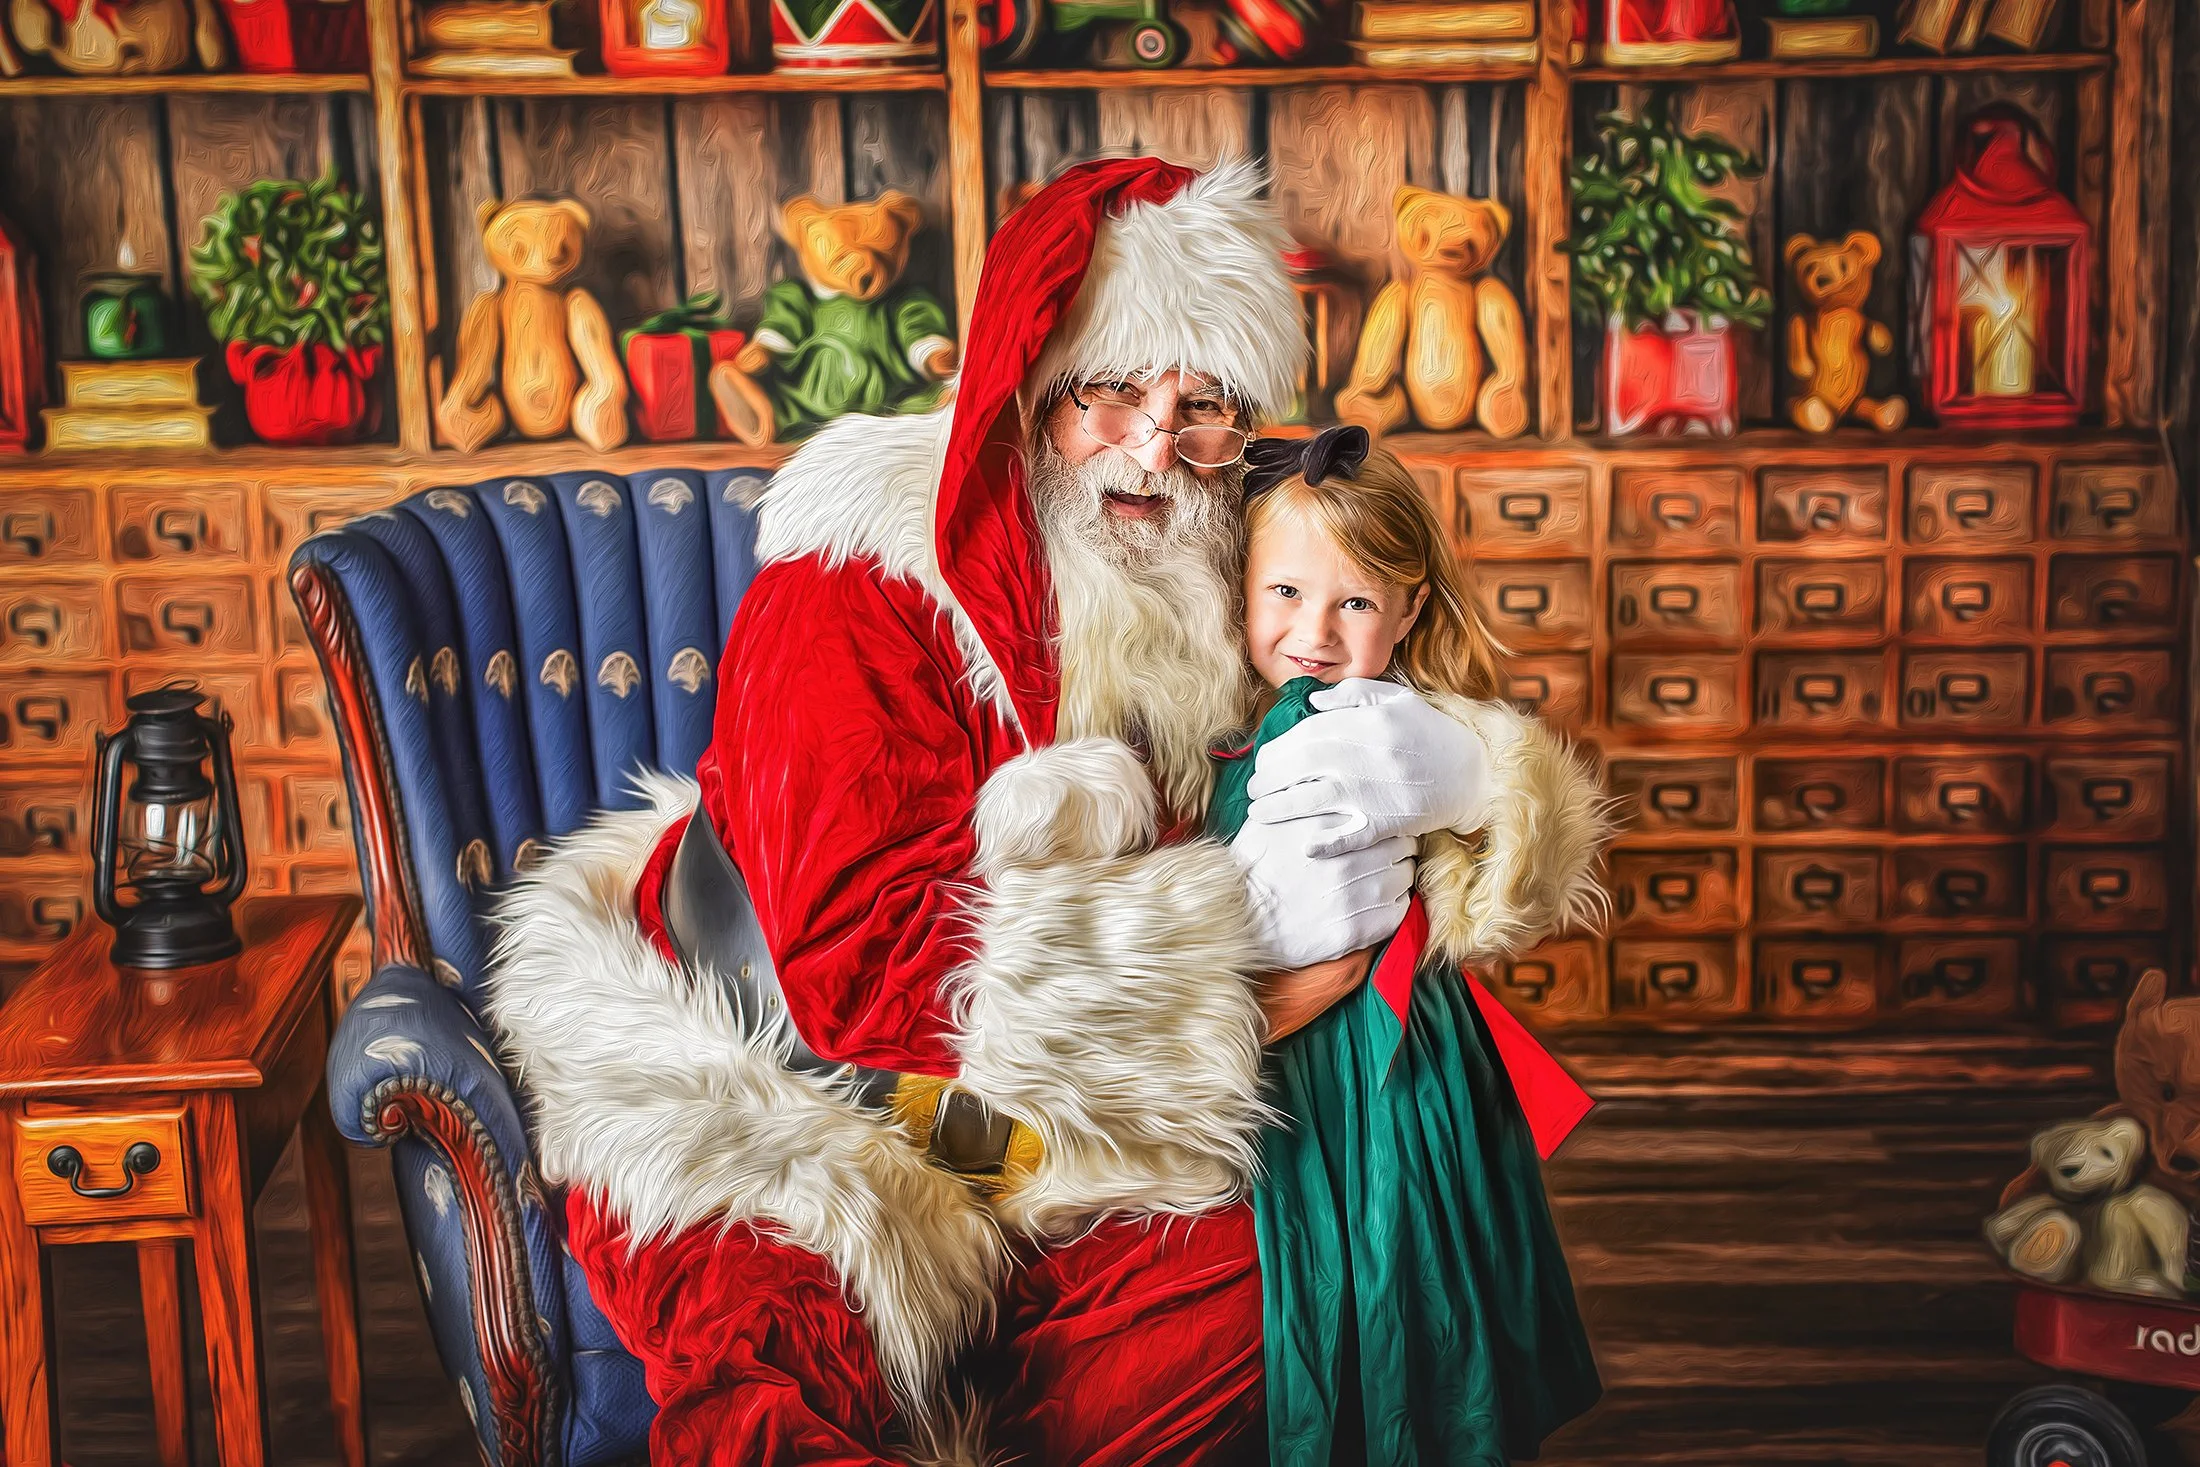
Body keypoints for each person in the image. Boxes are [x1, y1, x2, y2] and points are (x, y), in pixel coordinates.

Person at [483, 156, 1610, 1467]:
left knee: (1340, 1249)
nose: (1151, 445)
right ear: (1027, 382)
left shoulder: (1222, 562)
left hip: (1066, 1115)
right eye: (1111, 390)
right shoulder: (855, 580)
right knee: (777, 1372)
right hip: (793, 1069)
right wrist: (1245, 983)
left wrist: (1456, 779)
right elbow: (863, 966)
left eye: (1201, 407)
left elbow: (1358, 702)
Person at [1217, 426, 1605, 1466]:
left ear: (1409, 608)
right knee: (1313, 1267)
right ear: (1238, 587)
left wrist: (1481, 782)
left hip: (1386, 1050)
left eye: (1353, 602)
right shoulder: (1224, 719)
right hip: (1283, 1039)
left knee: (1406, 1253)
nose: (1315, 632)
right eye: (1285, 594)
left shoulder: (1384, 731)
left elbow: (1477, 870)